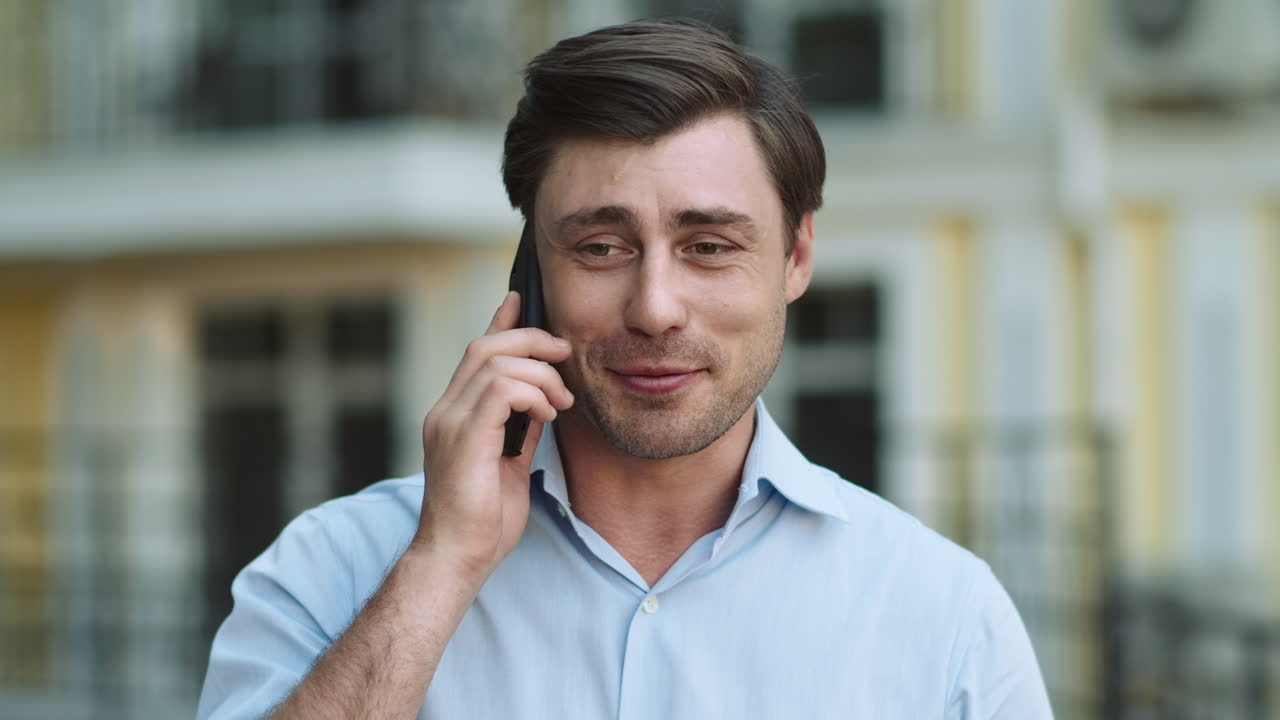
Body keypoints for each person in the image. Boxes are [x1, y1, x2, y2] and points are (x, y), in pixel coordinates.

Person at [197, 18, 1053, 719]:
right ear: (531, 272)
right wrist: (442, 564)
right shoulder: (333, 570)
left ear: (796, 259)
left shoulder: (945, 619)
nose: (654, 306)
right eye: (601, 247)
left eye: (709, 246)